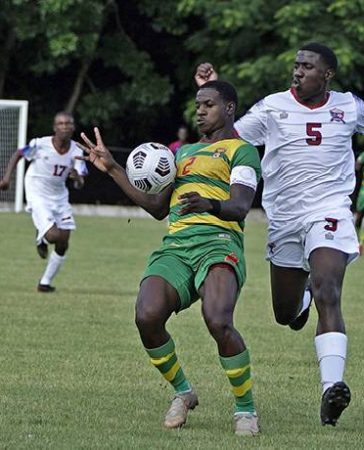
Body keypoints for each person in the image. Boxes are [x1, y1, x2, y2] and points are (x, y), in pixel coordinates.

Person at [195, 42, 364, 426]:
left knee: (330, 290)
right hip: (283, 219)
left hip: (329, 211)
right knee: (286, 315)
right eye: (296, 65)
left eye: (307, 66)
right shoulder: (271, 107)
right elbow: (224, 138)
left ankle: (332, 388)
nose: (298, 71)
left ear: (327, 74)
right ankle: (303, 298)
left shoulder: (349, 106)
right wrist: (216, 92)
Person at [78, 80, 262, 436]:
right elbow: (157, 207)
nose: (200, 110)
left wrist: (209, 204)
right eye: (198, 105)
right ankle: (183, 392)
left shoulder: (241, 151)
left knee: (218, 320)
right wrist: (113, 167)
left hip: (218, 241)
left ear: (228, 108)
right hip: (177, 246)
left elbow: (240, 206)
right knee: (146, 316)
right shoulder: (181, 153)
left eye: (208, 104)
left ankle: (245, 410)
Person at [0, 111, 87, 293]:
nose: (64, 126)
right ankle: (41, 232)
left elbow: (80, 184)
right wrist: (7, 178)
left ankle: (45, 282)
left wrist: (77, 177)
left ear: (73, 127)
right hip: (37, 190)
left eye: (68, 123)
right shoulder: (40, 144)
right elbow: (19, 153)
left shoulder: (77, 150)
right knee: (53, 236)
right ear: (55, 127)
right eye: (60, 124)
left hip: (59, 195)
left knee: (63, 241)